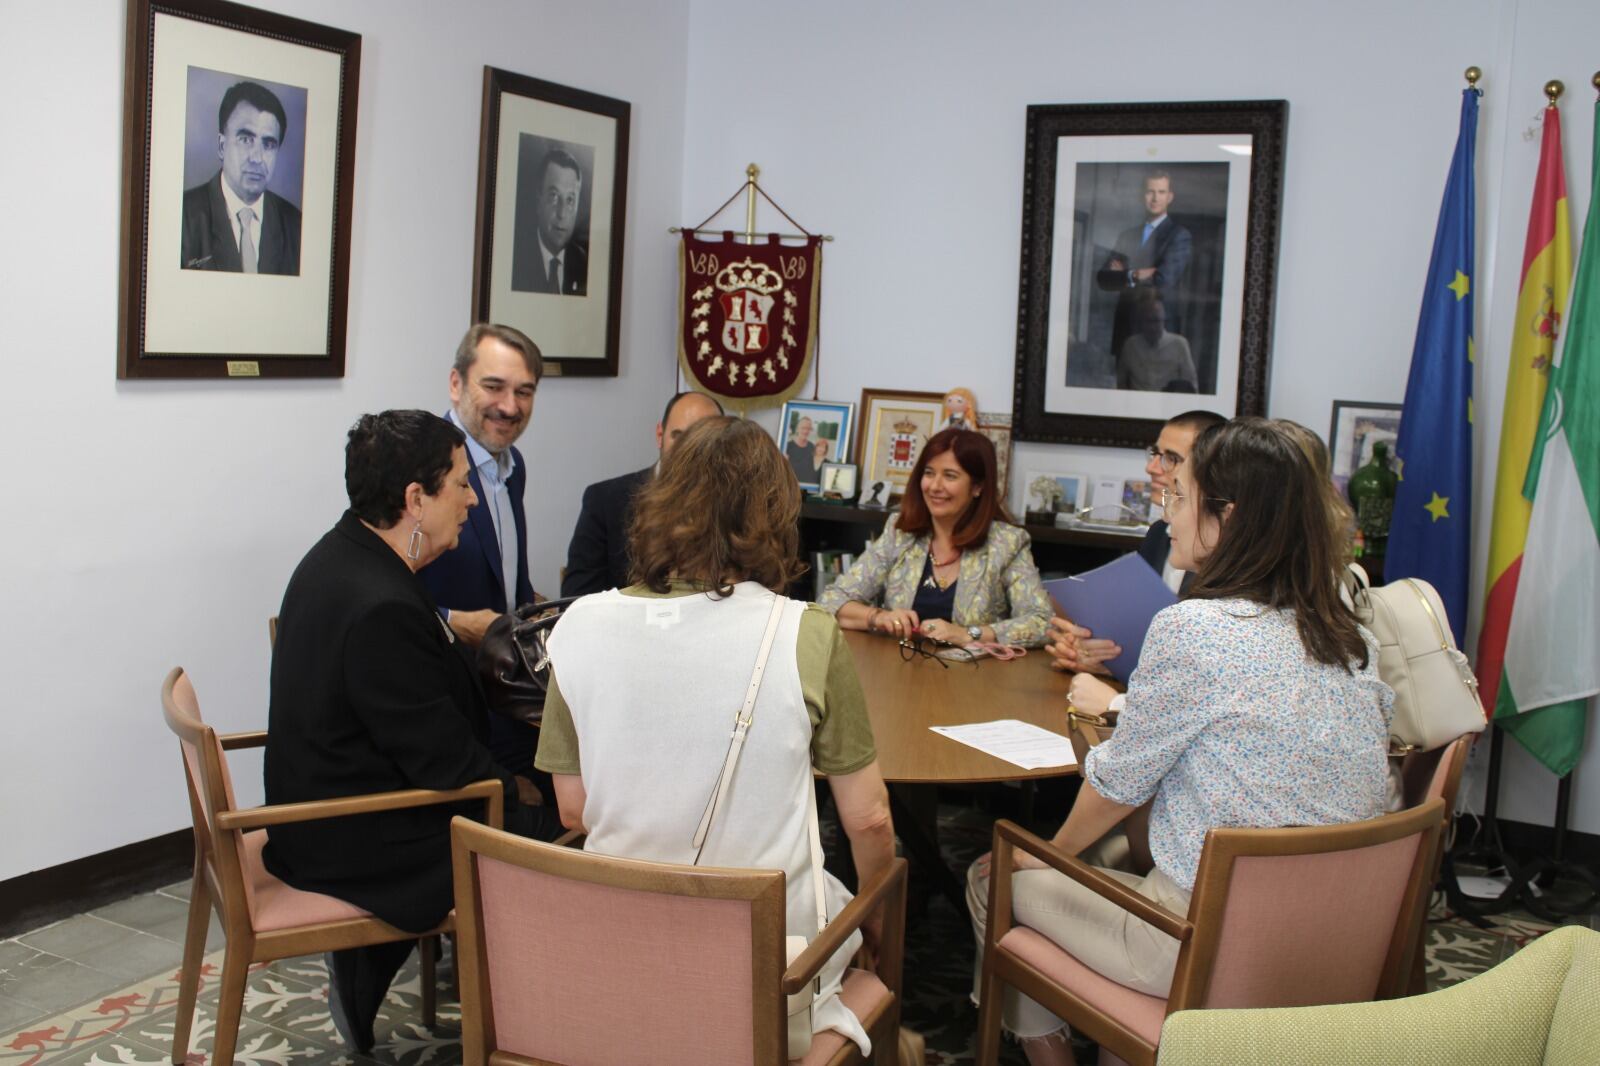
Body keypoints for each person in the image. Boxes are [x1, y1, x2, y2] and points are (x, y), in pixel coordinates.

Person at [968, 418, 1393, 1065]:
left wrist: (1045, 856)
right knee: (1110, 862)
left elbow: (1116, 786)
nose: (1167, 517)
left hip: (1204, 944)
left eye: (1180, 497)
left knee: (991, 874)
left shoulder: (1196, 629)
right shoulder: (1350, 640)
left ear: (1229, 515)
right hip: (1339, 941)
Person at [535, 416, 896, 1055]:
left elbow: (573, 808)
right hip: (763, 975)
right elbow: (867, 821)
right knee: (851, 905)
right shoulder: (804, 631)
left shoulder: (579, 625)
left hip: (615, 958)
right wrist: (878, 913)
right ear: (776, 515)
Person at [263, 410, 553, 1052]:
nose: (473, 498)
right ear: (415, 499)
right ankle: (539, 1026)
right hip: (357, 835)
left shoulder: (344, 556)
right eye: (460, 484)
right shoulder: (382, 606)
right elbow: (445, 764)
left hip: (324, 804)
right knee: (565, 835)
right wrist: (522, 790)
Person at [418, 323, 543, 779]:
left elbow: (506, 575)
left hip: (510, 692)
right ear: (456, 384)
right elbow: (378, 591)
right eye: (493, 387)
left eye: (524, 392)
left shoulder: (513, 464)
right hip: (447, 706)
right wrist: (454, 622)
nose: (509, 407)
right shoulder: (423, 468)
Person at [820, 427, 1052, 648]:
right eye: (929, 473)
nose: (934, 486)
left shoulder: (1007, 543)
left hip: (975, 680)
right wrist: (877, 617)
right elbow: (831, 600)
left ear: (977, 487)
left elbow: (1042, 622)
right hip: (898, 670)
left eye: (950, 476)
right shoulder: (899, 533)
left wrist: (968, 634)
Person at [1046, 409, 1225, 675]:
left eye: (1171, 458)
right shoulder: (1158, 534)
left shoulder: (1225, 549)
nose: (1151, 468)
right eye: (1155, 454)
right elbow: (1135, 627)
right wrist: (1089, 649)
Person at [560, 390, 723, 596]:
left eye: (702, 442)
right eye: (679, 437)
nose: (687, 452)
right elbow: (577, 600)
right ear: (660, 435)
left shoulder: (737, 504)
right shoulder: (605, 501)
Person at [180, 81, 301, 274]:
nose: (257, 158)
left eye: (268, 144)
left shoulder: (296, 226)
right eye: (245, 140)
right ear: (221, 146)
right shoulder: (182, 217)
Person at [1095, 170, 1192, 365]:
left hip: (1157, 334)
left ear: (1170, 197)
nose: (1155, 198)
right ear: (1142, 196)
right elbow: (1103, 279)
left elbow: (1164, 279)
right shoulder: (1127, 235)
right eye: (1150, 191)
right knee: (1124, 392)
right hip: (1125, 331)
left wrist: (1123, 275)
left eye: (1161, 192)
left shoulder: (1179, 236)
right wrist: (1134, 274)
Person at [511, 146, 588, 295]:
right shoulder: (515, 259)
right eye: (554, 196)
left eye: (570, 200)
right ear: (538, 200)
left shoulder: (585, 264)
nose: (562, 213)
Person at [1117, 293, 1197, 392]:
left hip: (1168, 404)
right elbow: (1120, 382)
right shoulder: (1130, 345)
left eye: (1156, 320)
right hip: (1137, 403)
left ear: (1164, 320)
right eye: (1148, 321)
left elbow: (1191, 385)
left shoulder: (1179, 344)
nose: (1153, 327)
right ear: (1140, 321)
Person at [786, 414, 826, 483]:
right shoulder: (787, 447)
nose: (805, 431)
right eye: (803, 428)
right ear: (797, 429)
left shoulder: (813, 448)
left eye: (808, 429)